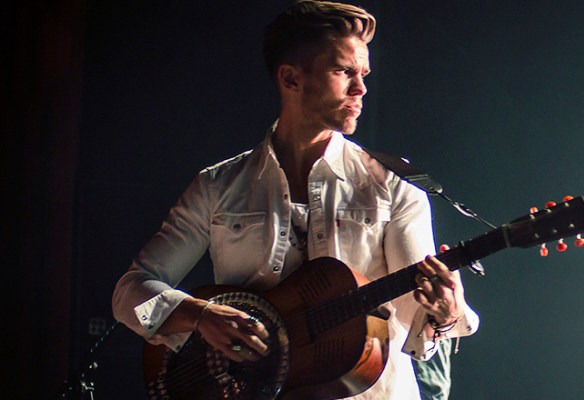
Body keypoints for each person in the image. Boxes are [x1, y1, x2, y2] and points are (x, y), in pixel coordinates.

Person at [111, 1, 478, 399]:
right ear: (290, 79)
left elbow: (413, 318)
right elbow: (130, 293)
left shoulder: (394, 185)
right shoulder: (217, 186)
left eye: (364, 74)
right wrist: (199, 315)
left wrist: (445, 316)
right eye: (344, 72)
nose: (361, 88)